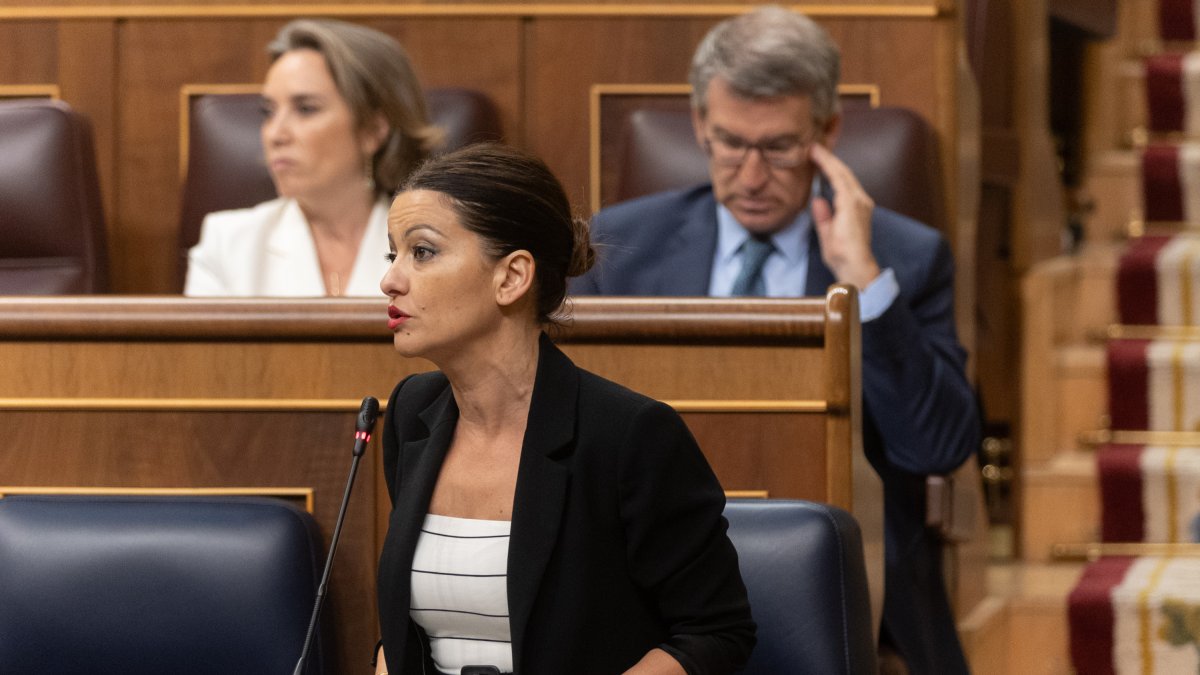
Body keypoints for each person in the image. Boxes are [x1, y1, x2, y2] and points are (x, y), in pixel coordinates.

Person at [570, 6, 979, 673]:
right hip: (644, 564)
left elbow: (936, 443)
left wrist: (865, 283)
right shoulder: (623, 248)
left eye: (780, 148)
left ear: (828, 131)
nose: (753, 176)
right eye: (731, 143)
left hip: (842, 573)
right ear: (700, 124)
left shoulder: (904, 255)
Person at [373, 143, 755, 675]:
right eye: (393, 255)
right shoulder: (413, 415)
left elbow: (715, 632)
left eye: (424, 252)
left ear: (512, 276)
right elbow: (401, 635)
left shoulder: (628, 435)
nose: (390, 280)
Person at [184, 18, 441, 297]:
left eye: (306, 109)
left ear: (373, 130)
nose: (275, 134)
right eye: (268, 112)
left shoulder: (432, 240)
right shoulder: (228, 244)